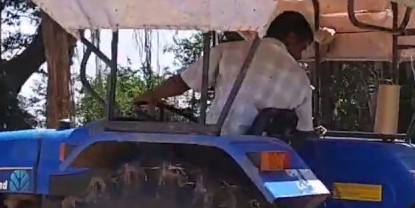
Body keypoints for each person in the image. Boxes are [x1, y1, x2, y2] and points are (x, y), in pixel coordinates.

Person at [132, 11, 324, 136]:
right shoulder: (302, 81)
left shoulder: (228, 50)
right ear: (291, 38)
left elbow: (181, 83)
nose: (300, 55)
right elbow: (304, 131)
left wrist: (149, 96)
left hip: (217, 143)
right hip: (261, 152)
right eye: (302, 48)